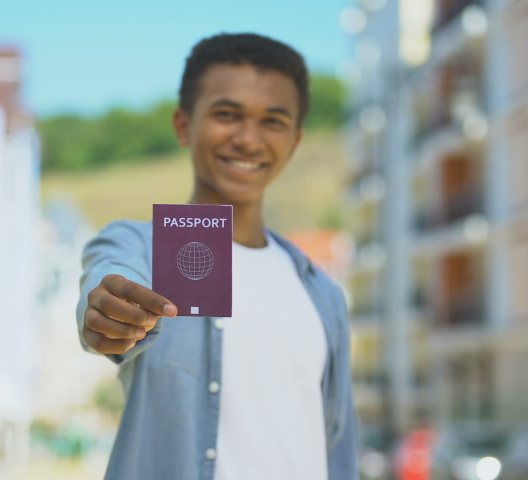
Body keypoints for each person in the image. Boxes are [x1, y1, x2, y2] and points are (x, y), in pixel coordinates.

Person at [76, 32, 358, 480]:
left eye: (273, 121)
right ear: (184, 125)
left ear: (296, 140)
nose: (248, 139)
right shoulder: (143, 248)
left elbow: (338, 448)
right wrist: (109, 317)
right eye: (227, 115)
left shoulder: (322, 292)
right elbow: (111, 281)